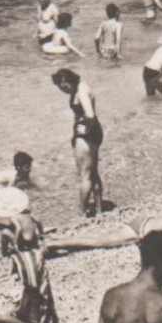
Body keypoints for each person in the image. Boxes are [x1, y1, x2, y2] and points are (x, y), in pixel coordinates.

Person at [0, 210, 59, 323]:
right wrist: (40, 236)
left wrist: (15, 245)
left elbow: (19, 228)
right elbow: (38, 223)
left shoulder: (28, 278)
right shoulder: (38, 258)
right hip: (46, 314)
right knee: (9, 315)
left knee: (3, 319)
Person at [52, 68, 104, 217]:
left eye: (65, 87)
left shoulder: (81, 91)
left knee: (84, 175)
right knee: (93, 172)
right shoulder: (82, 87)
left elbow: (89, 114)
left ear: (69, 81)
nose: (64, 91)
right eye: (61, 89)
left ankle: (81, 213)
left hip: (87, 133)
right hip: (94, 132)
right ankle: (99, 209)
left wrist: (80, 132)